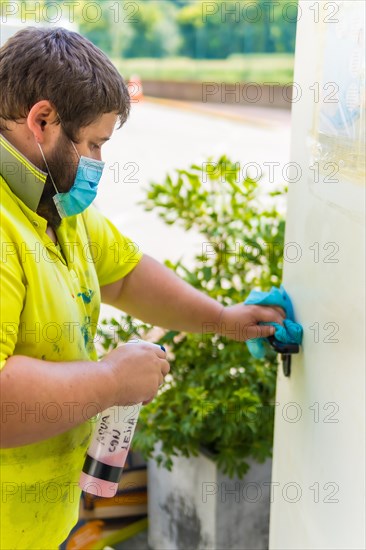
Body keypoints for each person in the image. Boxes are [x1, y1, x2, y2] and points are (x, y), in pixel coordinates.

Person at [0, 27, 284, 549]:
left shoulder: (53, 205)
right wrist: (109, 380)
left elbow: (126, 273)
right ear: (41, 121)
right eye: (91, 144)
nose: (97, 164)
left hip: (42, 526)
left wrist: (222, 318)